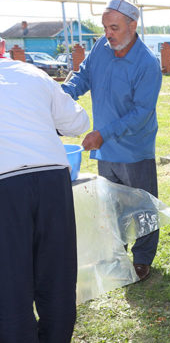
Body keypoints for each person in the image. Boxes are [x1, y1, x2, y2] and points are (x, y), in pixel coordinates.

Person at [62, 0, 162, 282]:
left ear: (133, 25)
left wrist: (103, 134)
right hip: (104, 151)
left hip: (134, 150)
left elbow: (141, 113)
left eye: (114, 27)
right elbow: (83, 77)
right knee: (111, 205)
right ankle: (116, 254)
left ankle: (142, 260)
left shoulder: (147, 63)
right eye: (105, 27)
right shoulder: (100, 48)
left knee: (142, 206)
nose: (108, 33)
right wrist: (60, 95)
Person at [0, 57, 89, 342]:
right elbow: (78, 121)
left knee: (10, 284)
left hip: (5, 184)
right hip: (51, 178)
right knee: (57, 277)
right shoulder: (32, 72)